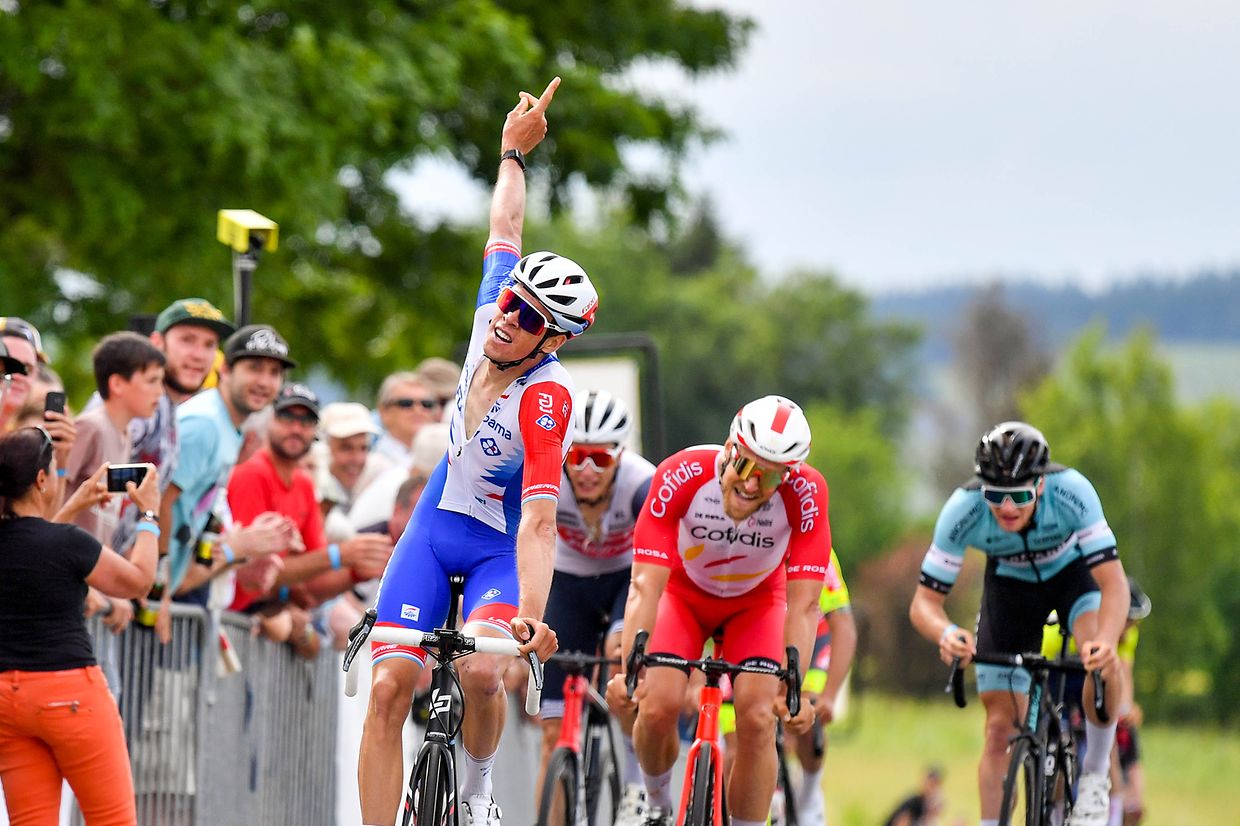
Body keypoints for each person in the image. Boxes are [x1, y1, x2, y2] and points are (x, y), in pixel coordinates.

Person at [358, 75, 599, 826]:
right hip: (435, 526)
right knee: (389, 686)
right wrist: (511, 154)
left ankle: (481, 789)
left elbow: (536, 522)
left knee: (486, 673)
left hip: (499, 543)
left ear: (552, 339)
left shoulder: (547, 400)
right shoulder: (492, 307)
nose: (507, 317)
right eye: (509, 300)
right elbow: (506, 229)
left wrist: (529, 617)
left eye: (527, 317)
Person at [607, 395, 830, 826]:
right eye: (745, 467)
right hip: (684, 596)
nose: (750, 485)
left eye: (768, 478)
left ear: (788, 476)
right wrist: (628, 672)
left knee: (758, 716)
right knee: (656, 706)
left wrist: (794, 689)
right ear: (729, 448)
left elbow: (804, 604)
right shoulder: (682, 473)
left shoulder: (808, 493)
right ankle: (656, 803)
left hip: (758, 603)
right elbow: (644, 585)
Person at [908, 421, 1128, 826]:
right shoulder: (963, 508)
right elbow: (924, 603)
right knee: (998, 730)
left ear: (1041, 486)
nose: (1007, 509)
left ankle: (1096, 778)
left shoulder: (1072, 491)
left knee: (1098, 657)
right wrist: (946, 632)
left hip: (1072, 578)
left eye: (1020, 496)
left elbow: (1114, 584)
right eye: (995, 496)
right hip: (1010, 588)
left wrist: (1108, 642)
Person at [0, 426, 159, 826]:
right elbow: (138, 580)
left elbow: (34, 545)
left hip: (7, 699)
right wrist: (149, 515)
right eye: (54, 470)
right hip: (68, 692)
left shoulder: (46, 540)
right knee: (112, 820)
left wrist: (74, 503)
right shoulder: (68, 543)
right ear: (40, 479)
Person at [536, 390, 656, 825]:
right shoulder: (546, 480)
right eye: (577, 456)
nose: (586, 471)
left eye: (600, 460)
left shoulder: (643, 484)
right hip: (569, 583)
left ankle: (634, 786)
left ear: (620, 457)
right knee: (551, 734)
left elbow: (655, 573)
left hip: (627, 578)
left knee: (622, 655)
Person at [226, 383, 394, 613]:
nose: (296, 428)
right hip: (230, 609)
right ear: (269, 420)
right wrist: (341, 554)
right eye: (286, 417)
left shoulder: (304, 482)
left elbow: (311, 580)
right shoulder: (252, 472)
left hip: (255, 613)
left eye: (306, 421)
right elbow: (251, 571)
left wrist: (357, 569)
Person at [373, 371, 441, 468]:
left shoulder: (444, 459)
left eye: (426, 404)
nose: (418, 410)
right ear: (384, 411)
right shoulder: (370, 464)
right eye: (406, 403)